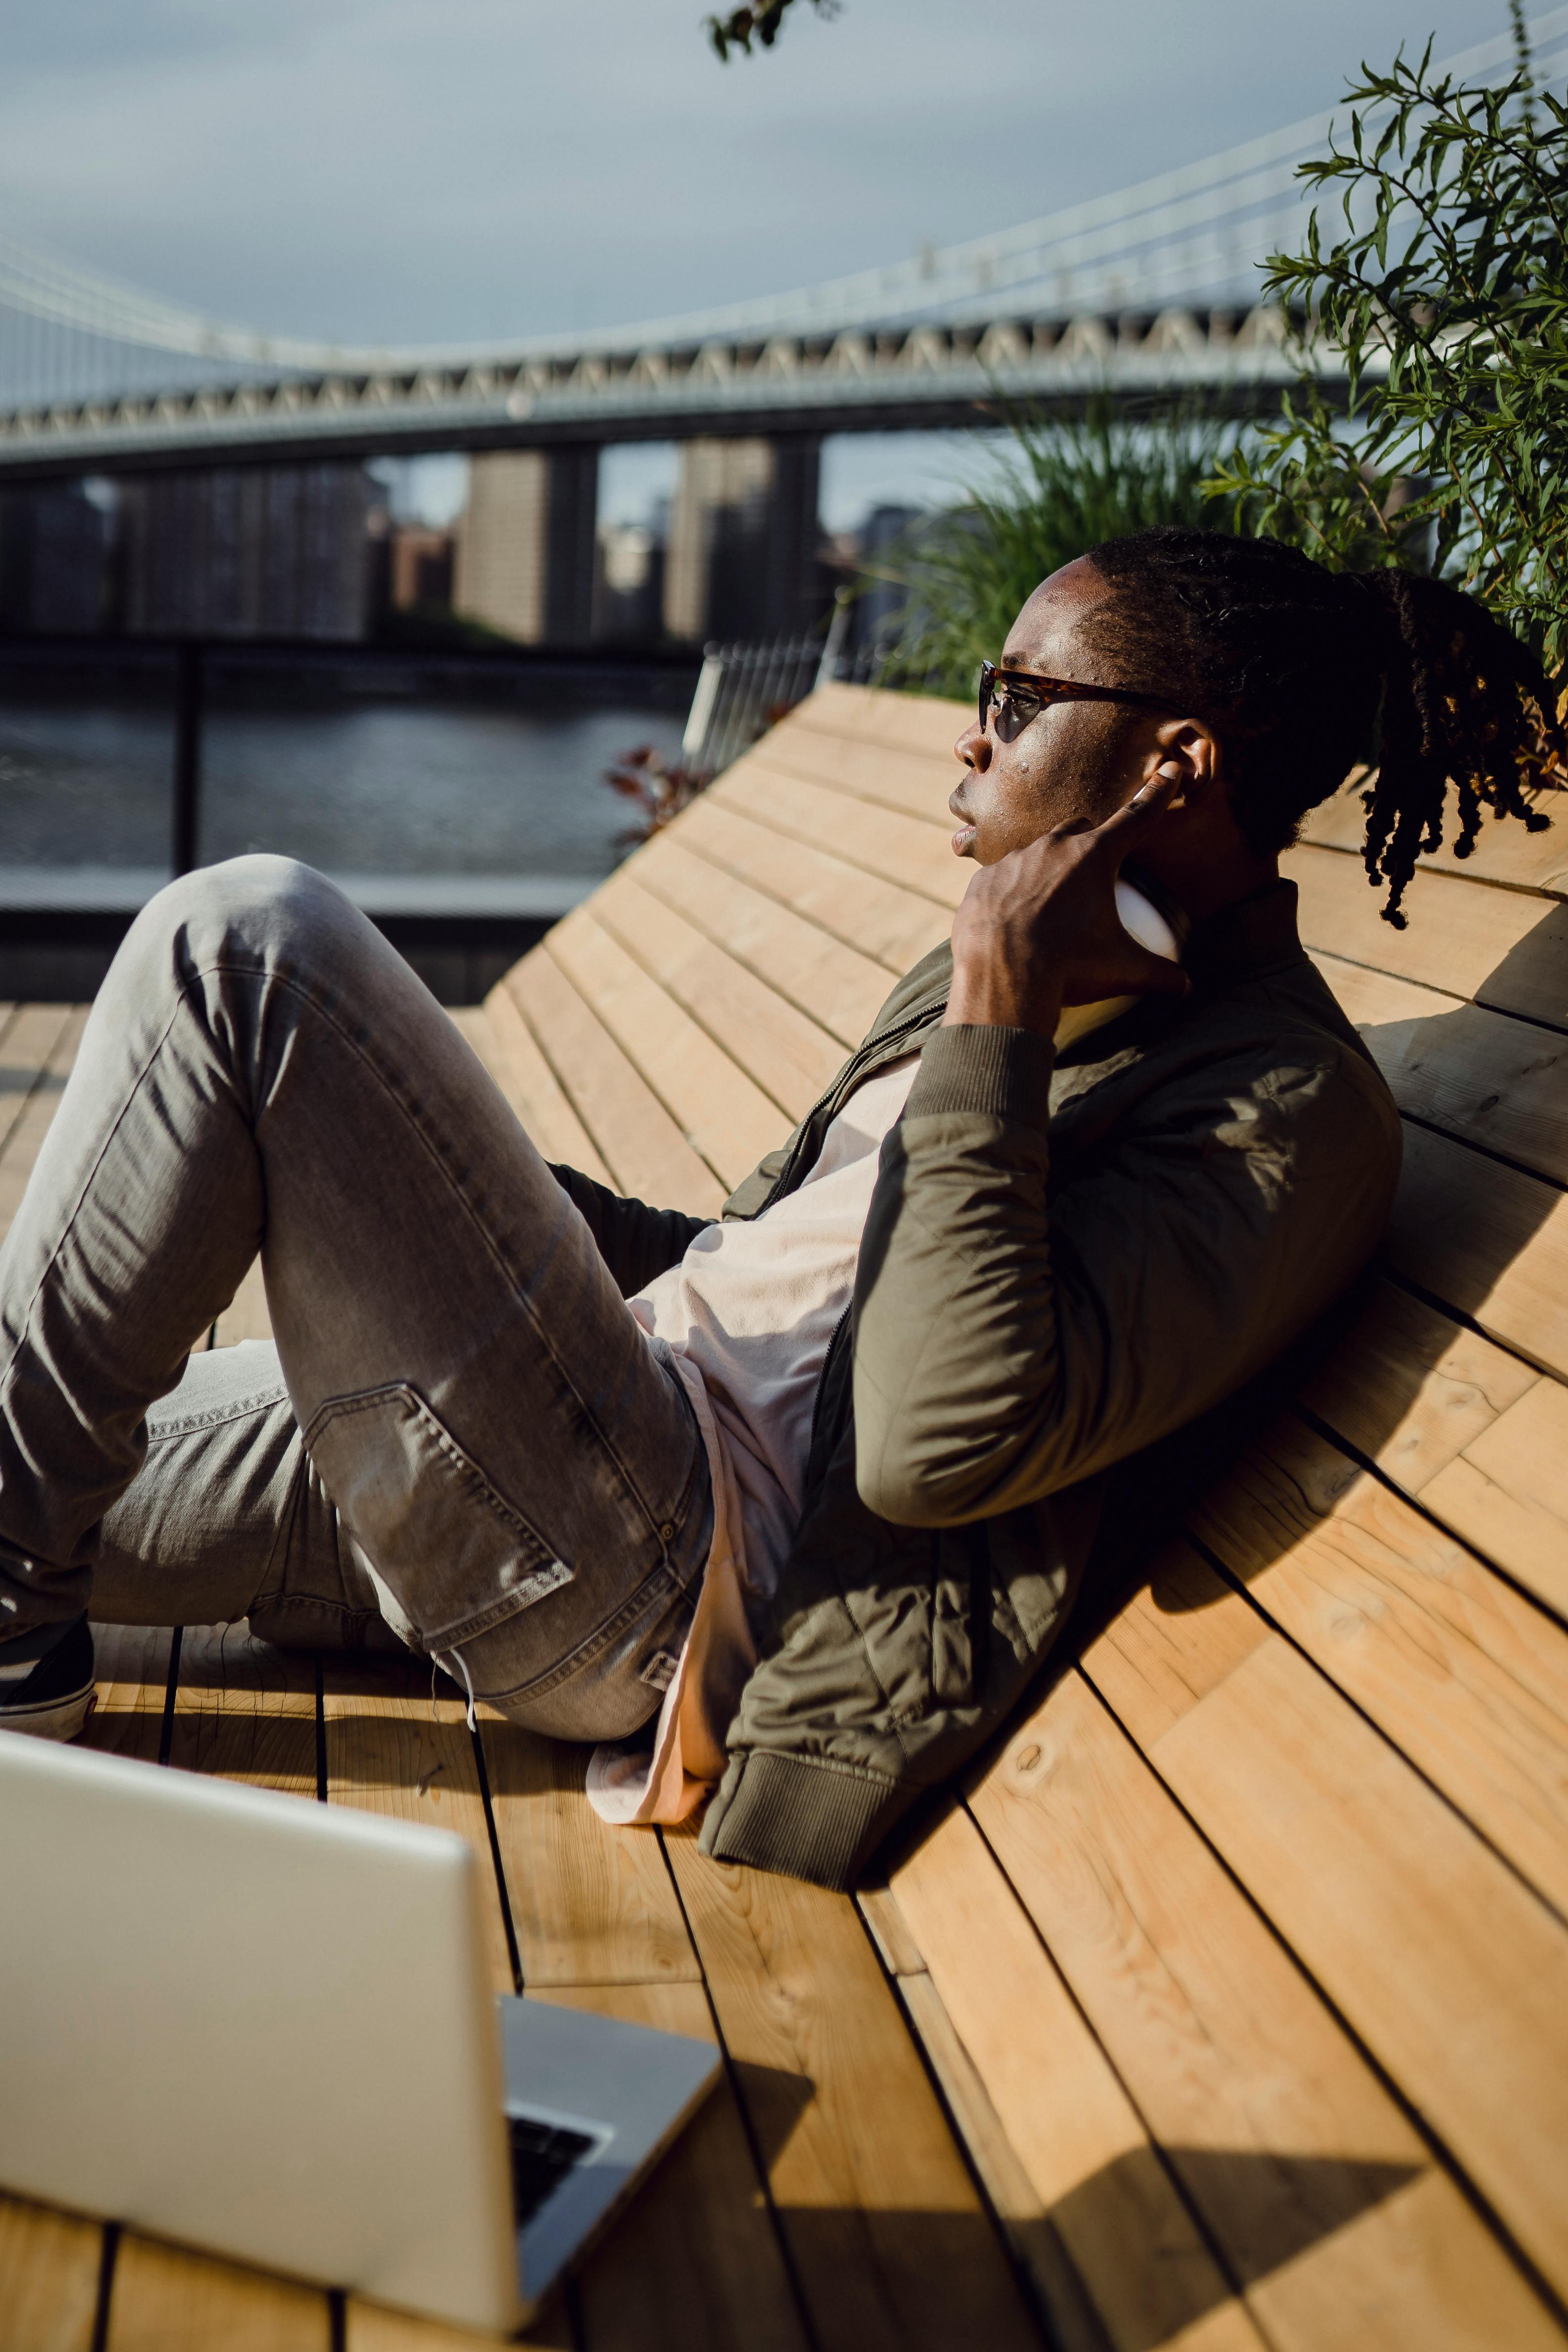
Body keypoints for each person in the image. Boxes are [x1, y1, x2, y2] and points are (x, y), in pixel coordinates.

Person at [0, 529, 1559, 1889]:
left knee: (246, 941)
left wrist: (998, 1000)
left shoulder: (1278, 1110)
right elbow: (735, 1268)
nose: (970, 746)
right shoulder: (1011, 984)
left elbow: (932, 1438)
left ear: (1176, 766)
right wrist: (420, 1201)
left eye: (1014, 705)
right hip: (551, 1445)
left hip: (653, 1568)